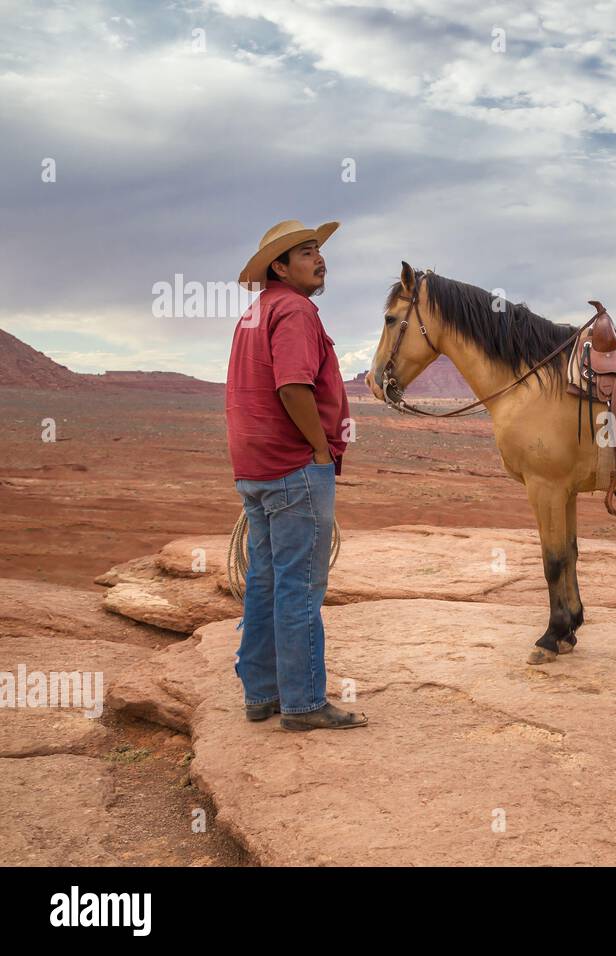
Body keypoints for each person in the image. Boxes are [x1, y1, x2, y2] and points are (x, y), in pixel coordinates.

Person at [225, 219, 367, 731]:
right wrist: (320, 451)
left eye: (317, 251)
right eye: (305, 253)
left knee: (265, 581)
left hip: (255, 468)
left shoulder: (255, 311)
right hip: (293, 467)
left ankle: (261, 695)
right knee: (300, 584)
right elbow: (292, 386)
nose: (319, 259)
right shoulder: (295, 309)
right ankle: (304, 704)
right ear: (279, 267)